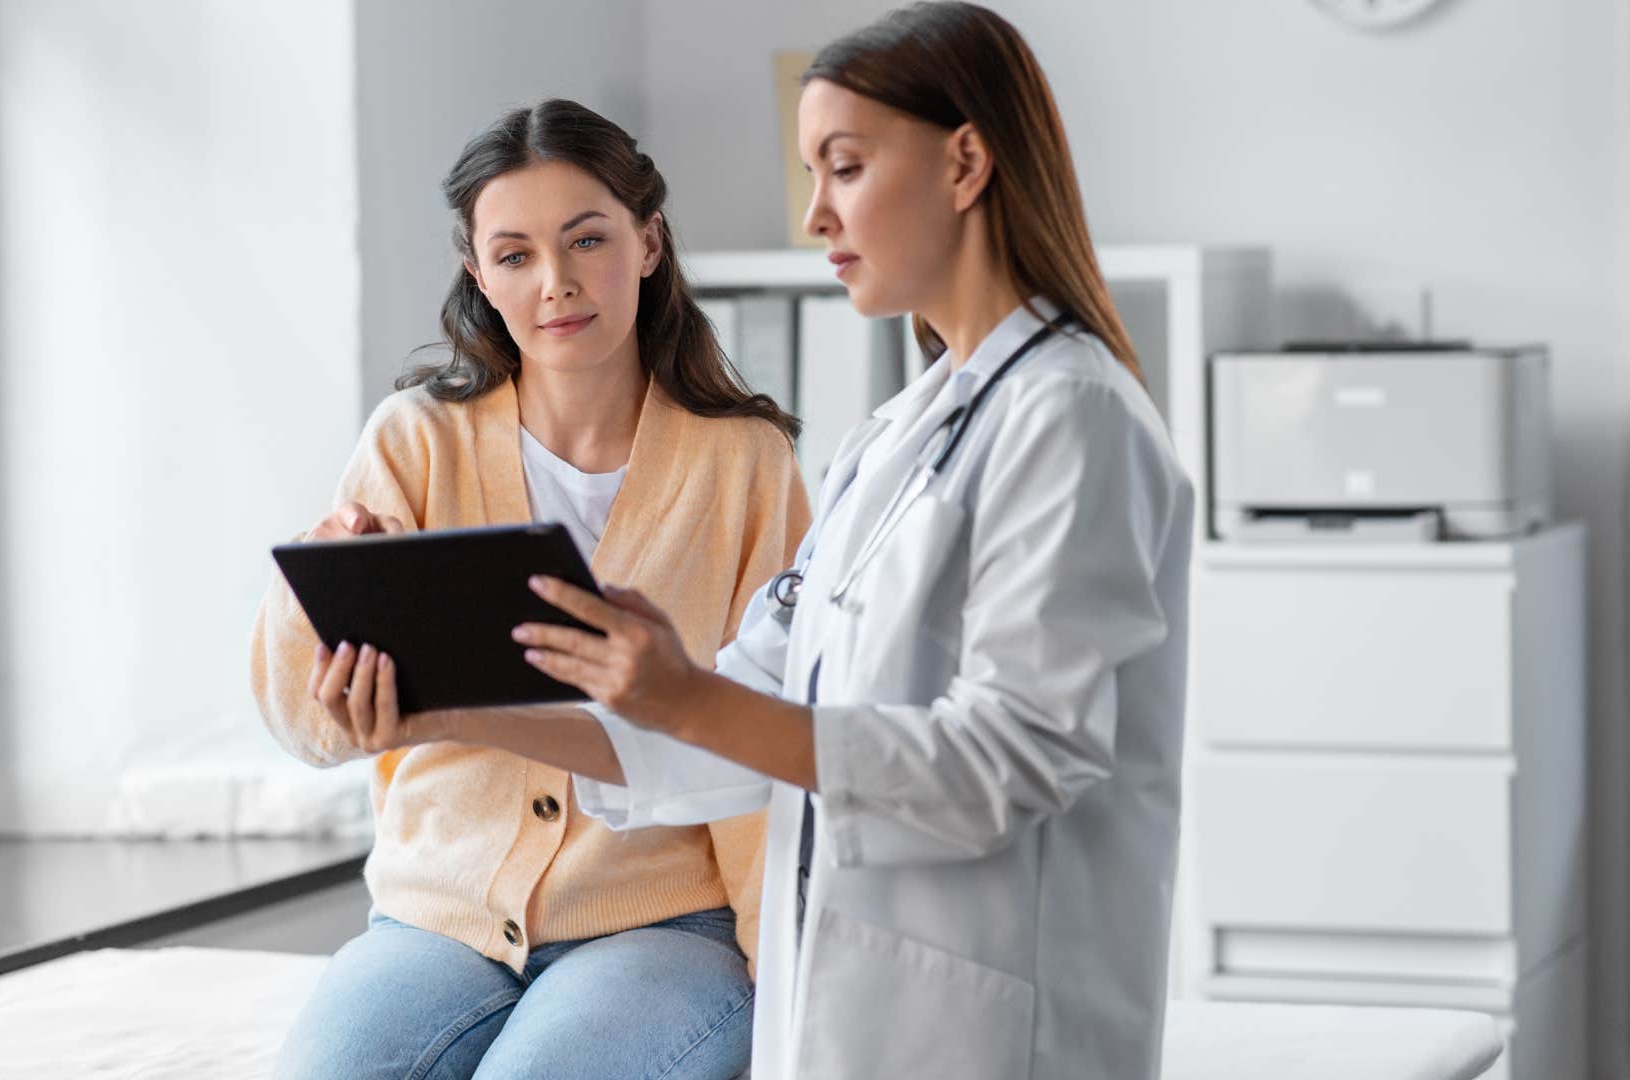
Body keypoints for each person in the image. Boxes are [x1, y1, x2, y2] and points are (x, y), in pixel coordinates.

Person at [336, 6, 1194, 1077]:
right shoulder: (894, 437)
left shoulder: (1072, 417)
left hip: (998, 1013)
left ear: (966, 160)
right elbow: (729, 718)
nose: (816, 214)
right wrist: (507, 700)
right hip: (858, 996)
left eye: (843, 168)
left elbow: (1013, 758)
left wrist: (688, 698)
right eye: (812, 174)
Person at [251, 99, 809, 1080]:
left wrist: (788, 980)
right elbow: (309, 726)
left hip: (663, 924)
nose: (556, 283)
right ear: (479, 273)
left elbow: (767, 730)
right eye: (514, 256)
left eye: (587, 240)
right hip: (441, 914)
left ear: (647, 241)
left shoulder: (746, 465)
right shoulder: (415, 438)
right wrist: (320, 596)